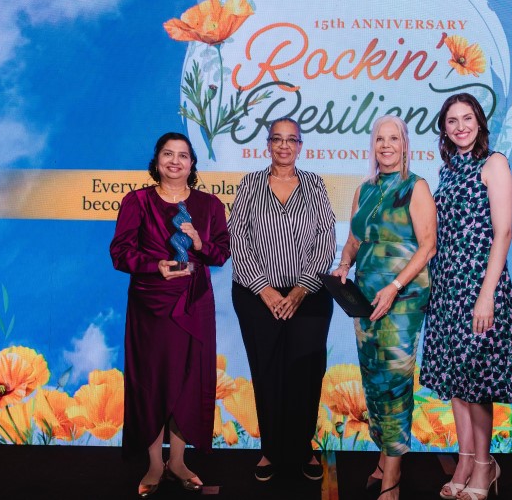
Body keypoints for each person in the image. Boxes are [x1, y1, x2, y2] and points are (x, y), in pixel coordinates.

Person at [110, 132, 231, 497]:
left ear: (192, 164)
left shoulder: (210, 205)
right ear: (157, 160)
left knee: (187, 383)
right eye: (168, 154)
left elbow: (221, 253)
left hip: (193, 306)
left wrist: (198, 243)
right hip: (151, 308)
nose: (175, 161)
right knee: (152, 383)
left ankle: (177, 463)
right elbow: (120, 254)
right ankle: (153, 465)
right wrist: (154, 265)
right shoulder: (137, 202)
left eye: (183, 155)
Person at [419, 93, 512, 500]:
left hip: (481, 288)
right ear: (444, 129)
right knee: (456, 381)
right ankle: (464, 459)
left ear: (480, 123)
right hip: (448, 289)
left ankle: (485, 463)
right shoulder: (448, 171)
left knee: (478, 382)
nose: (460, 125)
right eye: (452, 120)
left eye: (467, 118)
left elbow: (503, 234)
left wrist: (486, 297)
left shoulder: (493, 164)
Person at [333, 115, 436, 500]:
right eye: (380, 139)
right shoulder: (365, 190)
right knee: (374, 382)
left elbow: (428, 246)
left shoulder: (416, 187)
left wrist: (394, 286)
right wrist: (344, 264)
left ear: (406, 144)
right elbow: (354, 240)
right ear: (373, 146)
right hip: (365, 300)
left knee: (394, 384)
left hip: (402, 301)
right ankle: (383, 457)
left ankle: (391, 479)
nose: (387, 145)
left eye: (394, 139)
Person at [228, 117, 336, 482]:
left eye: (292, 140)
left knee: (306, 375)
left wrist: (301, 290)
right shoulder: (250, 184)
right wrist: (268, 291)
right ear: (268, 144)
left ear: (301, 145)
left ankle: (303, 448)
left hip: (310, 298)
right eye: (278, 139)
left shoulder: (315, 185)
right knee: (268, 372)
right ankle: (271, 451)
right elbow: (238, 239)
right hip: (257, 297)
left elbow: (326, 239)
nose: (284, 146)